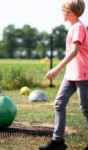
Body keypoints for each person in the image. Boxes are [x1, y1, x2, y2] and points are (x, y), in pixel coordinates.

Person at [38, 0, 88, 149]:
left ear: (70, 12)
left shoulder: (78, 27)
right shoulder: (73, 27)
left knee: (85, 108)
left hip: (83, 74)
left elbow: (74, 51)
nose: (61, 13)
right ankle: (57, 141)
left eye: (63, 10)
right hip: (71, 74)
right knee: (59, 104)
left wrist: (56, 68)